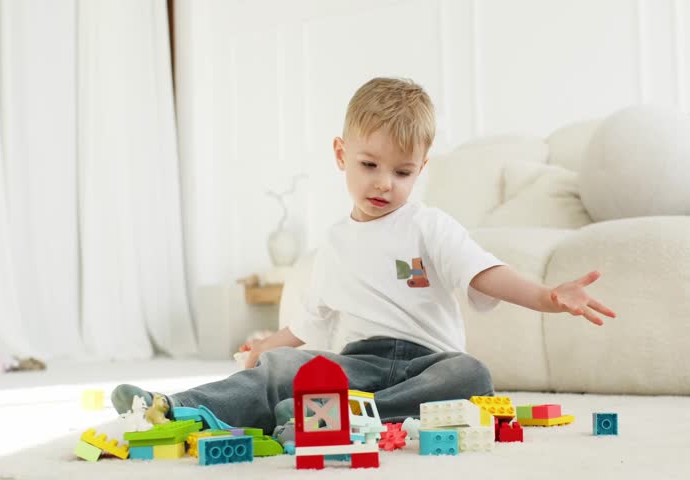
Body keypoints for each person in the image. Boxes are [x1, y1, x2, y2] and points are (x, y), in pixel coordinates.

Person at [111, 77, 616, 433]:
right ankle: (172, 408)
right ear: (340, 155)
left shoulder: (429, 226)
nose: (383, 183)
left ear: (421, 169)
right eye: (369, 164)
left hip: (427, 365)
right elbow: (308, 326)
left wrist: (546, 295)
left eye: (402, 172)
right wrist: (267, 348)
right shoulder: (333, 244)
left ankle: (346, 414)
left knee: (472, 376)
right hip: (355, 365)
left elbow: (484, 273)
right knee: (282, 366)